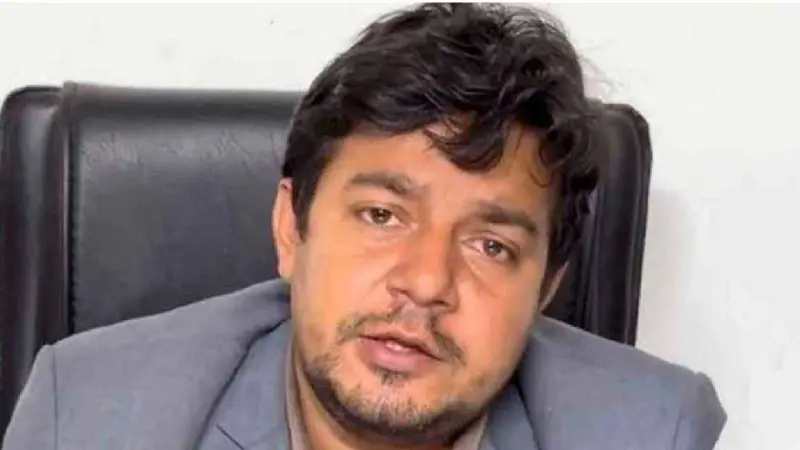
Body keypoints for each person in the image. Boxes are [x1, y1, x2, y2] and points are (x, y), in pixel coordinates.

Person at [3, 3, 726, 450]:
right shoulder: (91, 416)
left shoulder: (651, 431)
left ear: (545, 289)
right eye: (382, 215)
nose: (427, 282)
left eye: (491, 245)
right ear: (291, 229)